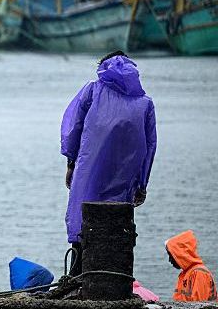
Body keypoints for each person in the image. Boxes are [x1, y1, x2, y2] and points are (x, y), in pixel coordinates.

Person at [60, 50, 156, 275]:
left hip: (88, 175)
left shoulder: (92, 91)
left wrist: (71, 162)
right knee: (113, 232)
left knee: (83, 224)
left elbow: (73, 127)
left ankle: (76, 278)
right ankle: (110, 279)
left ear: (103, 70)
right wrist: (142, 184)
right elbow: (150, 146)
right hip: (123, 183)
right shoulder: (145, 104)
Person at [166, 230, 217, 301]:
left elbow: (199, 304)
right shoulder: (186, 273)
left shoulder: (199, 273)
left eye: (171, 256)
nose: (169, 260)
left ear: (180, 255)